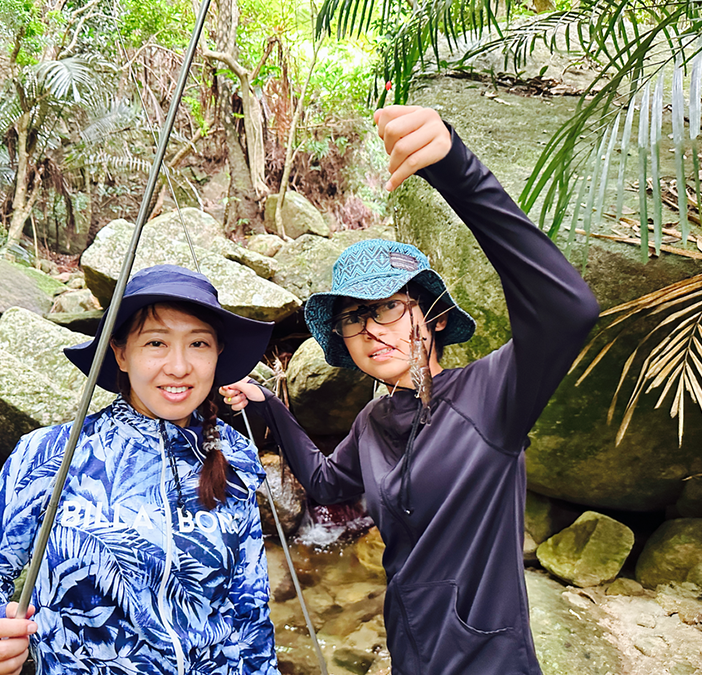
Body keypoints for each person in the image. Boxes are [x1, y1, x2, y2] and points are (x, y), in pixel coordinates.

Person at [221, 106, 600, 675]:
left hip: (488, 659)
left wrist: (456, 167)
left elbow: (568, 310)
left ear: (436, 318)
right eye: (353, 318)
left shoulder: (492, 397)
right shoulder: (373, 423)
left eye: (389, 307)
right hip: (409, 649)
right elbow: (326, 487)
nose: (371, 328)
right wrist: (269, 406)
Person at [0, 264, 280, 675]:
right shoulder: (49, 453)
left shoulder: (237, 456)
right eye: (156, 343)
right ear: (121, 353)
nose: (178, 367)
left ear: (217, 354)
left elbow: (249, 607)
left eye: (198, 344)